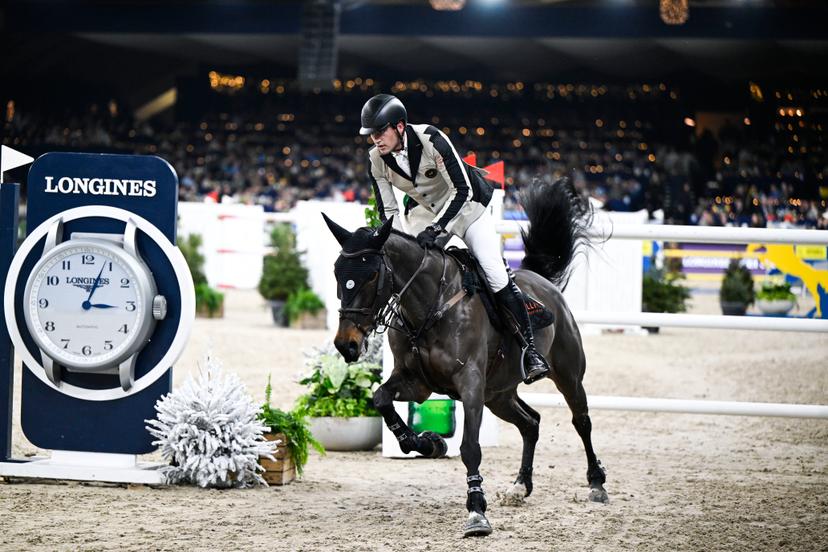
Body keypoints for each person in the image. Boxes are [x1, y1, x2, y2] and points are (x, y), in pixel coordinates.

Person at [359, 93, 550, 384]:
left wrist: (438, 229)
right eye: (371, 134)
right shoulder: (376, 159)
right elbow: (388, 209)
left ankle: (530, 351)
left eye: (380, 131)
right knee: (407, 267)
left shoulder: (431, 139)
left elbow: (462, 190)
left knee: (494, 271)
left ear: (399, 126)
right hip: (424, 212)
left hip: (467, 207)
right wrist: (395, 243)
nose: (375, 139)